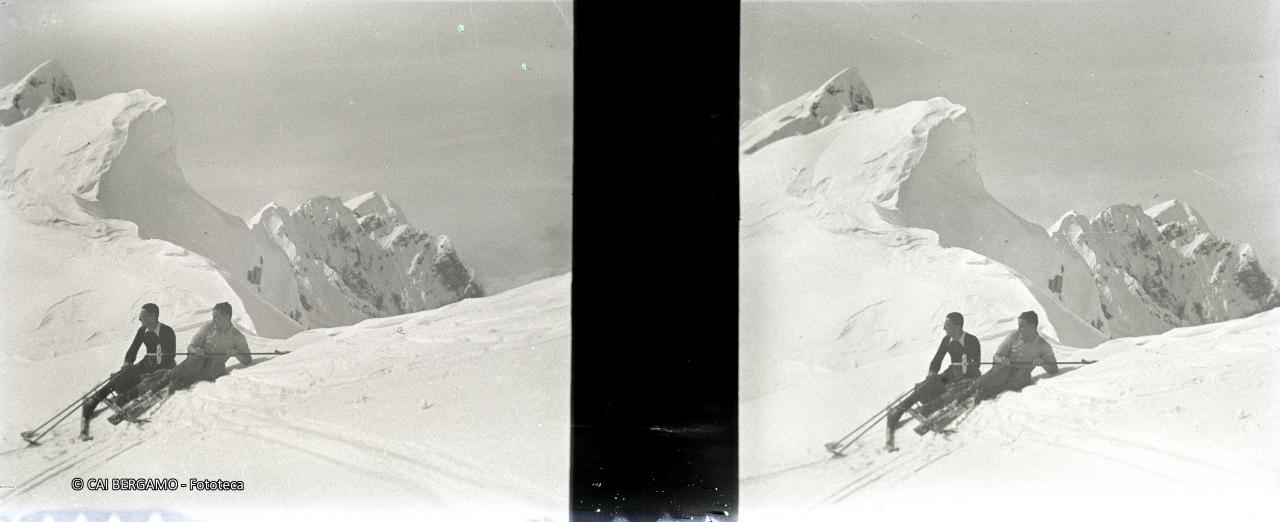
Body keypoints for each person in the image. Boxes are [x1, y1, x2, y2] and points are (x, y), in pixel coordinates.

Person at [116, 302, 252, 410]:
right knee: (193, 363)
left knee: (218, 366)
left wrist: (237, 354)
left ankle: (177, 382)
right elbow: (191, 346)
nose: (213, 320)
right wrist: (195, 350)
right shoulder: (208, 326)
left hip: (213, 365)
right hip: (197, 359)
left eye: (217, 317)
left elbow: (247, 359)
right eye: (213, 316)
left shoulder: (237, 336)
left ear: (227, 318)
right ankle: (154, 386)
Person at [884, 312, 981, 451]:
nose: (944, 328)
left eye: (947, 325)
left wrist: (966, 369)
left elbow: (975, 365)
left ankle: (926, 410)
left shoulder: (972, 341)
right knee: (926, 386)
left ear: (957, 327)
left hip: (968, 377)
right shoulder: (947, 340)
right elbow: (937, 360)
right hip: (952, 373)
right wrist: (932, 373)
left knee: (952, 392)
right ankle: (900, 409)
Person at [80, 303, 176, 440]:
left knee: (148, 380)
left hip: (163, 366)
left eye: (143, 316)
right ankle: (94, 400)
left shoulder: (168, 331)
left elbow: (170, 356)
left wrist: (156, 371)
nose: (140, 319)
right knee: (122, 376)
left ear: (153, 316)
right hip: (147, 362)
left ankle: (122, 399)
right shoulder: (142, 331)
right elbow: (133, 350)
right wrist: (127, 363)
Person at [973, 310, 1058, 402]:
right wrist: (1002, 360)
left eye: (1022, 327)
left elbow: (1054, 369)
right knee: (1001, 371)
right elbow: (997, 355)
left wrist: (1043, 363)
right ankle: (973, 387)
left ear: (1032, 328)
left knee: (1024, 376)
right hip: (1004, 369)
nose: (1019, 329)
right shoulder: (1014, 335)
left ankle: (988, 392)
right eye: (1018, 326)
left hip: (1020, 376)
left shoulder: (1043, 345)